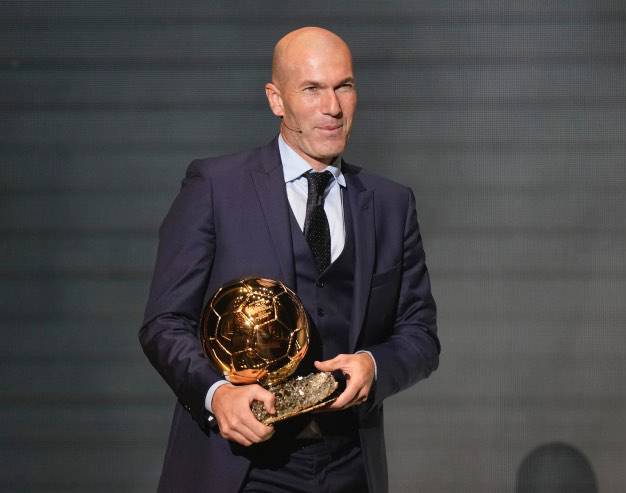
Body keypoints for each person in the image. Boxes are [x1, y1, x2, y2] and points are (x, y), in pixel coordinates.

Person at [139, 26, 440, 493]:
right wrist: (217, 395)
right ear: (276, 100)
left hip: (349, 467)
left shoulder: (390, 204)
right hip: (240, 468)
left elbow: (419, 335)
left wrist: (374, 366)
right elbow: (164, 323)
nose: (333, 107)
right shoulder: (216, 188)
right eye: (312, 89)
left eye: (344, 86)